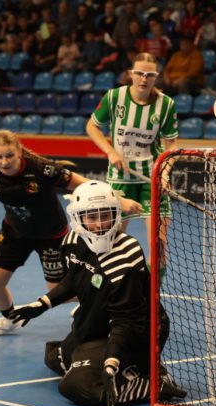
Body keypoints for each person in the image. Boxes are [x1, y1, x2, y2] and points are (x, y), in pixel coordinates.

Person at [0, 130, 141, 337]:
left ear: (19, 152)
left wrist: (119, 200)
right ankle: (12, 318)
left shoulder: (41, 168)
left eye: (9, 155)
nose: (4, 162)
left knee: (59, 292)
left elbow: (84, 184)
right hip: (15, 233)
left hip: (51, 235)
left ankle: (100, 304)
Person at [8, 180, 186, 406]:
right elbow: (75, 279)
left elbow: (127, 320)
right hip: (97, 324)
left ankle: (155, 383)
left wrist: (112, 360)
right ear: (78, 218)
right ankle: (126, 368)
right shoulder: (72, 242)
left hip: (137, 331)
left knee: (74, 386)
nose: (100, 224)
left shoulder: (127, 254)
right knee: (54, 359)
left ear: (116, 215)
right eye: (92, 217)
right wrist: (41, 304)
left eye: (106, 215)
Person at [85, 52, 178, 274]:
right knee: (110, 241)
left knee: (159, 246)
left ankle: (152, 294)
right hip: (121, 178)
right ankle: (108, 290)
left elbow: (172, 145)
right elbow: (91, 126)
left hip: (152, 178)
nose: (144, 79)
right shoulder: (114, 97)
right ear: (131, 74)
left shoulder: (166, 104)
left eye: (150, 75)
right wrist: (110, 152)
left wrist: (165, 173)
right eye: (139, 73)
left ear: (156, 76)